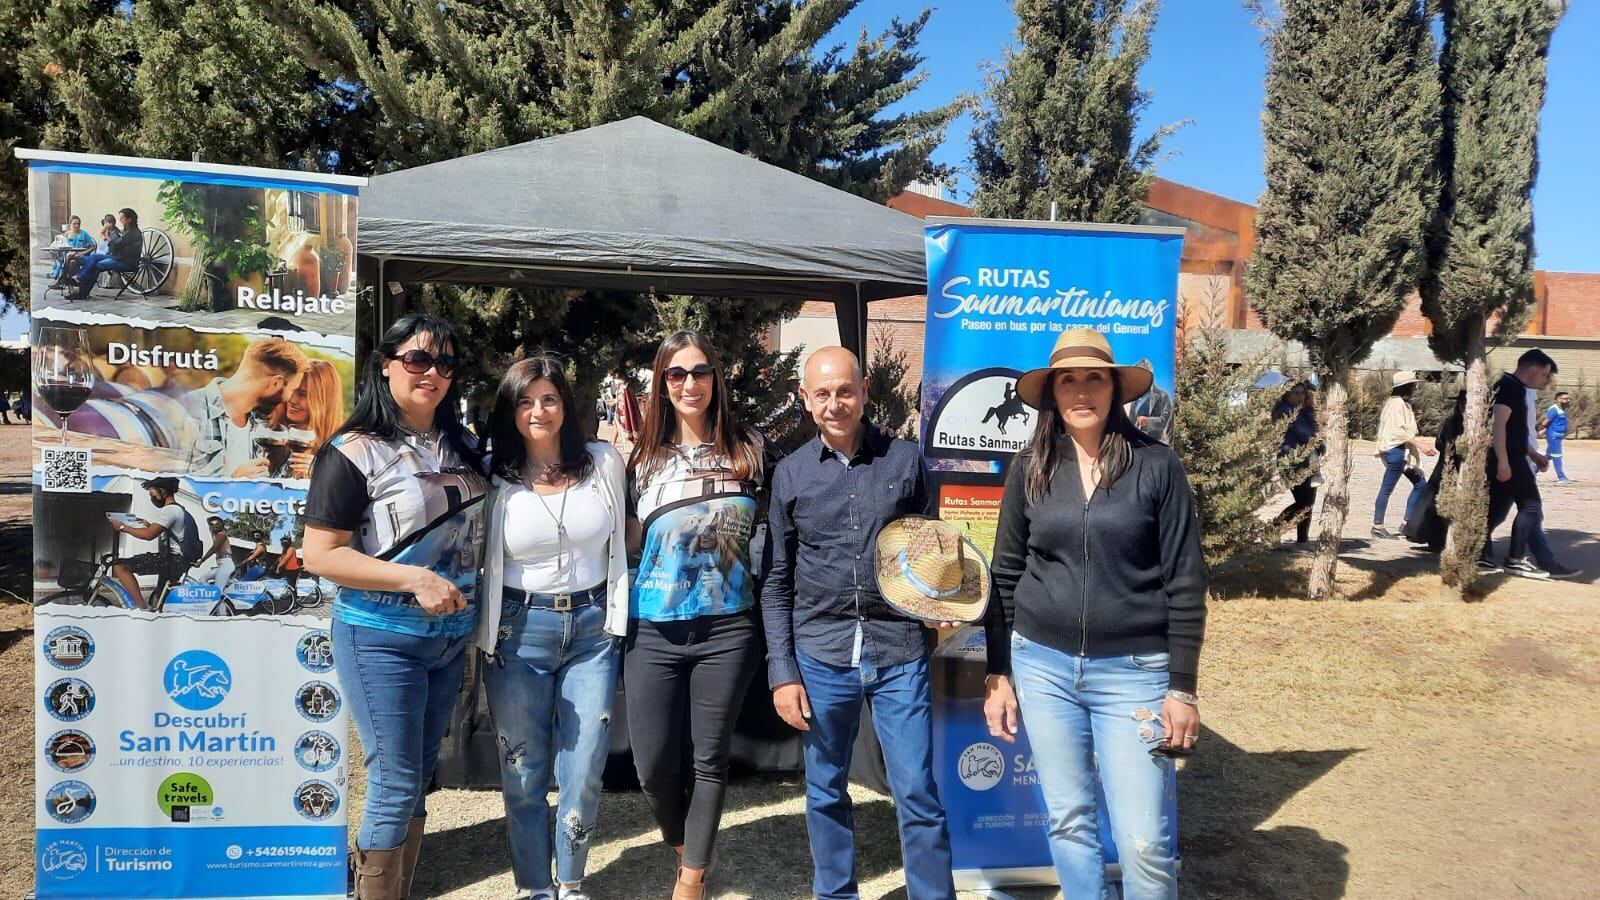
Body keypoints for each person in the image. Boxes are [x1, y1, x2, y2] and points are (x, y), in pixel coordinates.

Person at [981, 327, 1206, 900]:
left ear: (1115, 388)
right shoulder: (1029, 468)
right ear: (1053, 392)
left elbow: (1185, 582)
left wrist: (1182, 687)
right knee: (1069, 821)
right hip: (1043, 668)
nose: (1082, 392)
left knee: (1144, 842)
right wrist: (999, 674)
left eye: (1094, 378)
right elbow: (1004, 576)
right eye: (1068, 380)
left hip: (1134, 672)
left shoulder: (1157, 467)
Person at [301, 314, 487, 900]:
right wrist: (412, 578)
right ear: (386, 365)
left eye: (445, 363)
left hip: (450, 641)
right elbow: (320, 555)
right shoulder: (352, 451)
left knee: (418, 775)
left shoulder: (462, 444)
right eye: (418, 359)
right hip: (380, 637)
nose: (432, 372)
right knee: (395, 777)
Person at [763, 345, 957, 900]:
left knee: (917, 789)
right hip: (821, 655)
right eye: (821, 393)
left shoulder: (904, 460)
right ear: (804, 398)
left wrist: (942, 601)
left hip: (898, 652)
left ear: (864, 390)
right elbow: (776, 581)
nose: (834, 403)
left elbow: (932, 550)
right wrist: (782, 671)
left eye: (844, 390)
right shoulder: (790, 475)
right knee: (825, 790)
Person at [474, 355, 629, 900]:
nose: (538, 411)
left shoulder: (603, 462)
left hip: (593, 629)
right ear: (510, 410)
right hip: (519, 630)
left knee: (584, 765)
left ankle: (571, 881)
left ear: (565, 404)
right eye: (524, 401)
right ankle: (535, 886)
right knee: (522, 769)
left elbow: (625, 537)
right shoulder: (493, 475)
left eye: (549, 398)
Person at [625, 331, 772, 900]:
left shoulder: (751, 448)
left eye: (701, 371)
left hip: (729, 628)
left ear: (718, 378)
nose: (691, 384)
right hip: (654, 629)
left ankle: (690, 881)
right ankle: (685, 843)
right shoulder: (637, 459)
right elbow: (627, 544)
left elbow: (777, 533)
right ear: (662, 383)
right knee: (653, 767)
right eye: (677, 373)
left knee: (710, 759)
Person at [1480, 349, 1565, 580]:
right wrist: (1503, 462)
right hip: (1509, 459)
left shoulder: (1516, 388)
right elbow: (1498, 426)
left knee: (1494, 511)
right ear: (1532, 369)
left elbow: (1514, 430)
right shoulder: (1508, 387)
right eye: (1546, 375)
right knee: (1531, 506)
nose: (1547, 381)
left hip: (1514, 455)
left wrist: (1533, 454)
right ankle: (1515, 560)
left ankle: (1480, 554)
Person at [183, 337, 311, 476]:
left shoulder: (263, 423)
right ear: (275, 383)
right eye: (292, 390)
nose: (290, 398)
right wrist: (231, 483)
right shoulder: (185, 410)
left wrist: (304, 470)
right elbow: (168, 486)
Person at [108, 477, 200, 609]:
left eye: (152, 494)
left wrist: (123, 527)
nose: (152, 498)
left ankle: (142, 608)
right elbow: (169, 533)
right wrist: (148, 524)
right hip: (179, 560)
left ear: (162, 491)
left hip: (172, 561)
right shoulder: (179, 509)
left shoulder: (169, 510)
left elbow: (149, 535)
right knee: (161, 598)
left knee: (119, 566)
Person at [1371, 371, 1436, 539]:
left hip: (1400, 452)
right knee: (1387, 489)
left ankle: (1408, 523)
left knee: (1420, 484)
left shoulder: (1398, 403)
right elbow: (1397, 432)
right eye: (1413, 385)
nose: (1415, 388)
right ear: (1406, 387)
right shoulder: (1397, 404)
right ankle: (1378, 525)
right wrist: (1420, 445)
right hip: (1396, 452)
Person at [268, 359, 345, 478]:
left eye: (303, 394)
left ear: (323, 402)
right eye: (292, 390)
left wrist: (322, 476)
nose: (292, 400)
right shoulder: (271, 434)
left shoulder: (341, 450)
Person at [1273, 381, 1321, 549]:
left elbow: (1313, 432)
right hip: (1292, 460)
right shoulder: (1286, 410)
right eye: (1296, 393)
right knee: (1304, 502)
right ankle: (1276, 527)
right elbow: (1304, 434)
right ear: (1287, 394)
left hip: (1306, 459)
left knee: (1307, 501)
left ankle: (1302, 539)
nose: (1301, 396)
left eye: (1302, 393)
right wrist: (1318, 443)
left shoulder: (1302, 411)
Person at [65, 207, 142, 301]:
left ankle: (82, 290)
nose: (120, 221)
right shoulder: (128, 232)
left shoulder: (133, 233)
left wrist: (106, 236)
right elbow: (116, 246)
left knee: (96, 264)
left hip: (125, 262)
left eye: (122, 218)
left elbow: (116, 246)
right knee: (94, 256)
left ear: (129, 220)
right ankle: (80, 280)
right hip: (117, 257)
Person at [1125, 358, 1173, 443]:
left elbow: (1166, 421)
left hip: (1156, 445)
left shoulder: (1162, 396)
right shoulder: (1135, 398)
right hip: (1136, 445)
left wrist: (1148, 421)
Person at [50, 216, 97, 286]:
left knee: (70, 258)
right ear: (70, 224)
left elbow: (93, 246)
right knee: (72, 262)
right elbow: (61, 245)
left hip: (80, 257)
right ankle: (70, 286)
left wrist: (83, 253)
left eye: (78, 224)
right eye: (74, 224)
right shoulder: (66, 234)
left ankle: (60, 279)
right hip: (69, 257)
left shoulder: (84, 234)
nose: (77, 225)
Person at [1542, 391, 1573, 484]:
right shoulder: (1554, 409)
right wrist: (1544, 430)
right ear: (1558, 399)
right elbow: (1545, 422)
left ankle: (1531, 471)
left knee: (1549, 456)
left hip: (1559, 435)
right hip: (1553, 436)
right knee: (1557, 456)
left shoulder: (1565, 408)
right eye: (1565, 398)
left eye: (1568, 398)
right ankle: (1561, 477)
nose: (1568, 400)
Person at [198, 516, 236, 587]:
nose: (214, 525)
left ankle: (217, 595)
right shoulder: (214, 535)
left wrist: (201, 561)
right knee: (202, 579)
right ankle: (212, 594)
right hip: (221, 565)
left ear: (221, 525)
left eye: (217, 523)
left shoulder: (221, 534)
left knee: (218, 588)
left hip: (226, 564)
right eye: (212, 524)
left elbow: (214, 548)